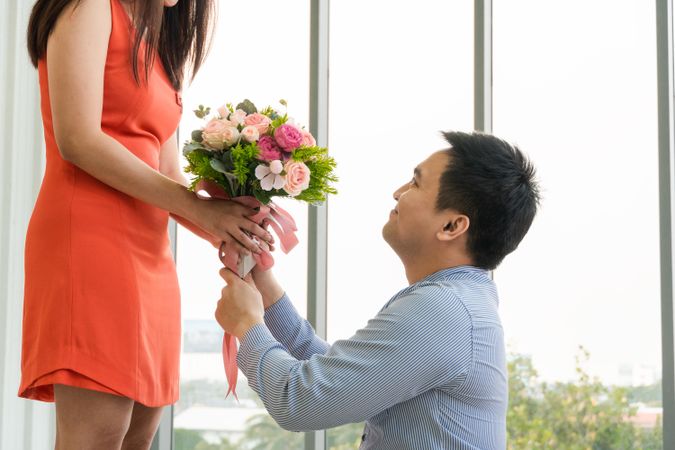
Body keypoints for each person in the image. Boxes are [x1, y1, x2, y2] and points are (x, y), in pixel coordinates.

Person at [19, 0, 274, 448]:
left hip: (151, 260)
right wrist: (200, 211)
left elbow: (168, 173)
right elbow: (77, 138)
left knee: (138, 438)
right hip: (88, 244)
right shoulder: (92, 6)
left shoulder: (156, 43)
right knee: (94, 438)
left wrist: (231, 227)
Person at [215, 131, 540, 449]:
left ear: (451, 226)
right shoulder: (456, 301)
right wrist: (265, 290)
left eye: (416, 183)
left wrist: (247, 323)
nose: (398, 192)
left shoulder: (442, 309)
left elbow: (299, 400)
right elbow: (335, 374)